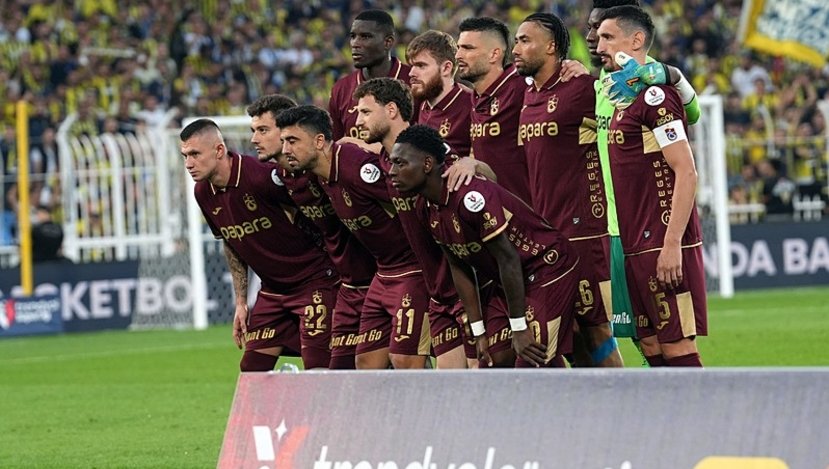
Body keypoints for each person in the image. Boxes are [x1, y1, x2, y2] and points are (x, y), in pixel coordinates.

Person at [390, 124, 579, 368]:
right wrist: (478, 332)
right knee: (493, 362)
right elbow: (458, 265)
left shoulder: (469, 197)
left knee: (531, 360)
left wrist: (519, 327)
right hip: (507, 279)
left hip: (546, 267)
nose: (392, 172)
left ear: (427, 164)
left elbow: (508, 258)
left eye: (400, 163)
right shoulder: (424, 207)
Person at [352, 77, 502, 368]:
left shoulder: (427, 150)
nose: (358, 121)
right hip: (437, 291)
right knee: (448, 382)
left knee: (482, 375)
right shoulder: (384, 160)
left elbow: (483, 182)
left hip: (467, 286)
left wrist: (474, 163)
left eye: (366, 112)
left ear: (391, 110)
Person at [276, 105, 431, 370]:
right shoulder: (321, 177)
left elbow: (412, 197)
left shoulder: (355, 167)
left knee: (406, 360)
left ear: (319, 141)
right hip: (382, 275)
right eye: (283, 142)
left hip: (412, 270)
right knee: (364, 364)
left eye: (292, 141)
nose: (285, 149)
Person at [596, 5, 707, 366]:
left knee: (676, 346)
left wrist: (672, 245)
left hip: (661, 242)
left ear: (636, 40)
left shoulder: (656, 96)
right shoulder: (620, 97)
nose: (599, 45)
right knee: (652, 345)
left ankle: (709, 408)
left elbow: (686, 172)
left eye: (608, 37)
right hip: (633, 244)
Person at [181, 119, 338, 371]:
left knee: (319, 367)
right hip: (272, 293)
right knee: (252, 369)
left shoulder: (260, 177)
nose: (188, 164)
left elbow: (316, 212)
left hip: (314, 283)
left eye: (195, 154)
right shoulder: (203, 192)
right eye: (185, 156)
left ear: (219, 150)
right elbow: (231, 242)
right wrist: (241, 302)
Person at [513, 12, 623, 367]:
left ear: (551, 47)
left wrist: (591, 76)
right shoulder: (528, 96)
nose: (516, 48)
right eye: (515, 40)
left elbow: (620, 122)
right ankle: (588, 397)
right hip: (547, 234)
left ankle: (625, 393)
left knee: (597, 328)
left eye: (525, 40)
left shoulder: (580, 89)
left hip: (583, 232)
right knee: (570, 331)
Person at [246, 94, 377, 369]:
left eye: (263, 130)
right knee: (340, 370)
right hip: (347, 283)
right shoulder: (281, 178)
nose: (255, 139)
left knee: (389, 363)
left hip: (376, 276)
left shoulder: (328, 166)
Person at [455, 17, 532, 203]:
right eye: (458, 47)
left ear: (494, 54)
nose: (458, 55)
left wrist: (570, 68)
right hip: (498, 210)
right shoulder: (476, 96)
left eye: (468, 48)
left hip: (530, 210)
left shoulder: (522, 87)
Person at [329, 9, 418, 142]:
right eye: (353, 36)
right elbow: (335, 146)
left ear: (388, 42)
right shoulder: (341, 89)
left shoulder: (415, 81)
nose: (355, 44)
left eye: (365, 37)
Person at [406, 30, 473, 158]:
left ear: (446, 68)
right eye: (412, 66)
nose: (411, 73)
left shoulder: (472, 105)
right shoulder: (421, 104)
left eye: (421, 66)